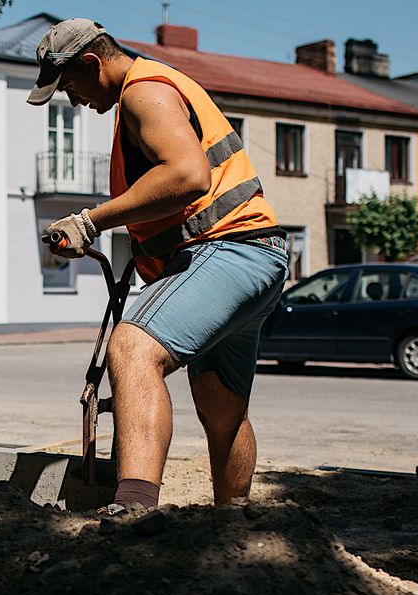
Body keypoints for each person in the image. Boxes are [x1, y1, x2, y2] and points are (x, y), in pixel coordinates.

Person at [28, 19, 289, 512]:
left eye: (70, 85)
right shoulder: (158, 85)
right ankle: (235, 525)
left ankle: (134, 509)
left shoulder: (143, 93)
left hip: (228, 250)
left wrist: (90, 221)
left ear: (91, 63)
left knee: (132, 348)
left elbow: (188, 175)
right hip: (258, 254)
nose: (72, 100)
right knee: (221, 406)